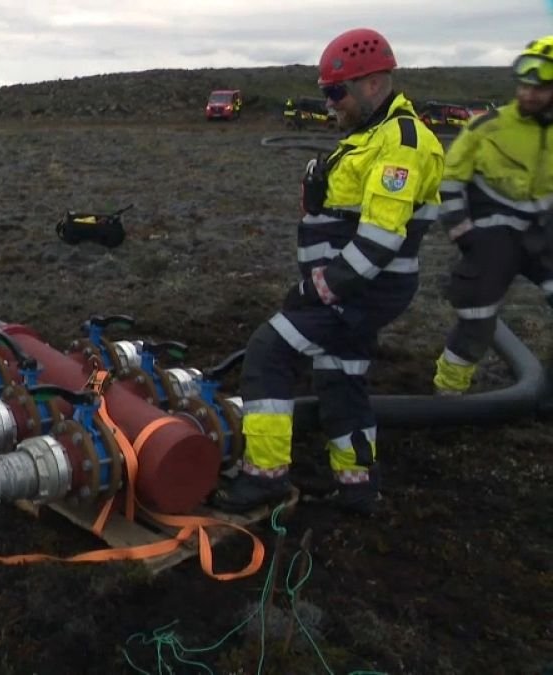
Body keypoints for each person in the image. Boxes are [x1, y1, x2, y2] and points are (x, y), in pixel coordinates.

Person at [211, 28, 445, 515]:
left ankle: (265, 476)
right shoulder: (370, 137)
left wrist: (316, 290)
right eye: (326, 93)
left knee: (269, 351)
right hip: (358, 289)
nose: (330, 103)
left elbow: (379, 241)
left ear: (373, 85)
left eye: (336, 92)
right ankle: (359, 487)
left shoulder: (401, 142)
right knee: (341, 377)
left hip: (362, 290)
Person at [431, 36, 553, 395]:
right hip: (491, 238)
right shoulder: (488, 127)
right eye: (525, 86)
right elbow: (450, 181)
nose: (529, 95)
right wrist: (463, 234)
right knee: (477, 321)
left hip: (544, 238)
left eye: (542, 88)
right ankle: (447, 394)